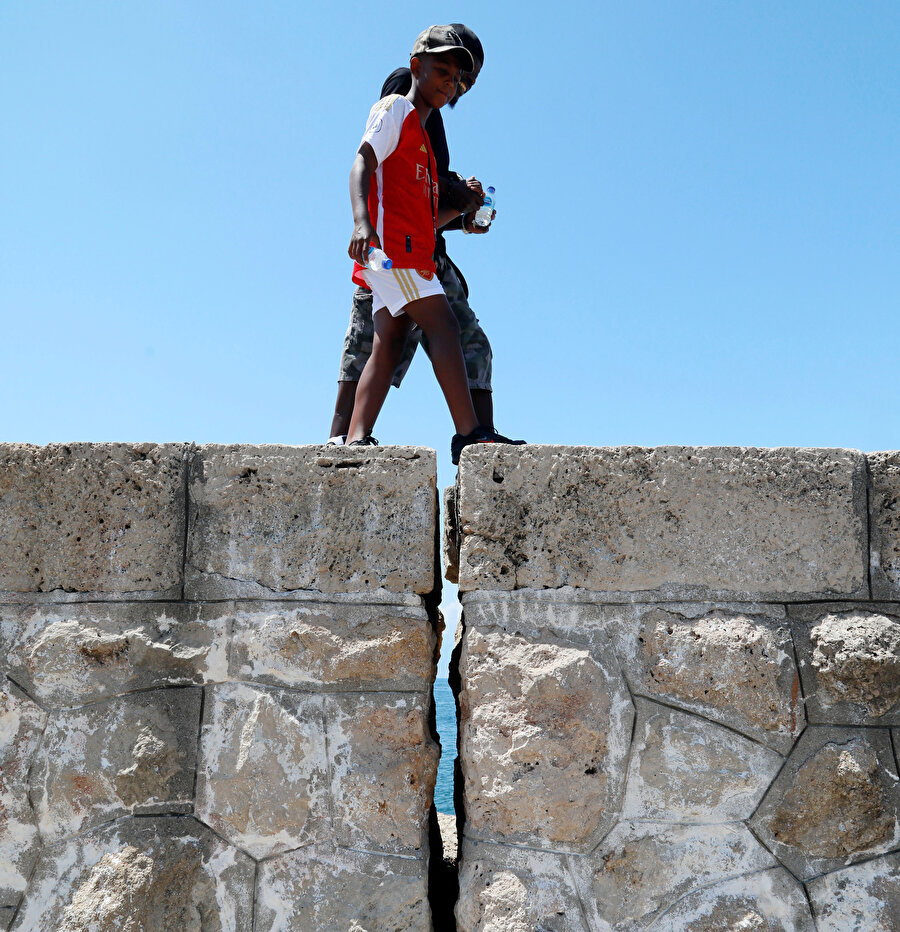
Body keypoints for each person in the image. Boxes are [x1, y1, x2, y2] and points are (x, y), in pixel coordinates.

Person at [329, 23, 523, 457]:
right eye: (448, 72)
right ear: (418, 66)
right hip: (397, 251)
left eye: (463, 79)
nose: (456, 84)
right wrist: (362, 223)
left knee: (388, 339)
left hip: (398, 250)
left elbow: (419, 208)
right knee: (444, 327)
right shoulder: (400, 105)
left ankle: (354, 440)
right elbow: (363, 162)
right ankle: (471, 435)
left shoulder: (427, 135)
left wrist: (462, 210)